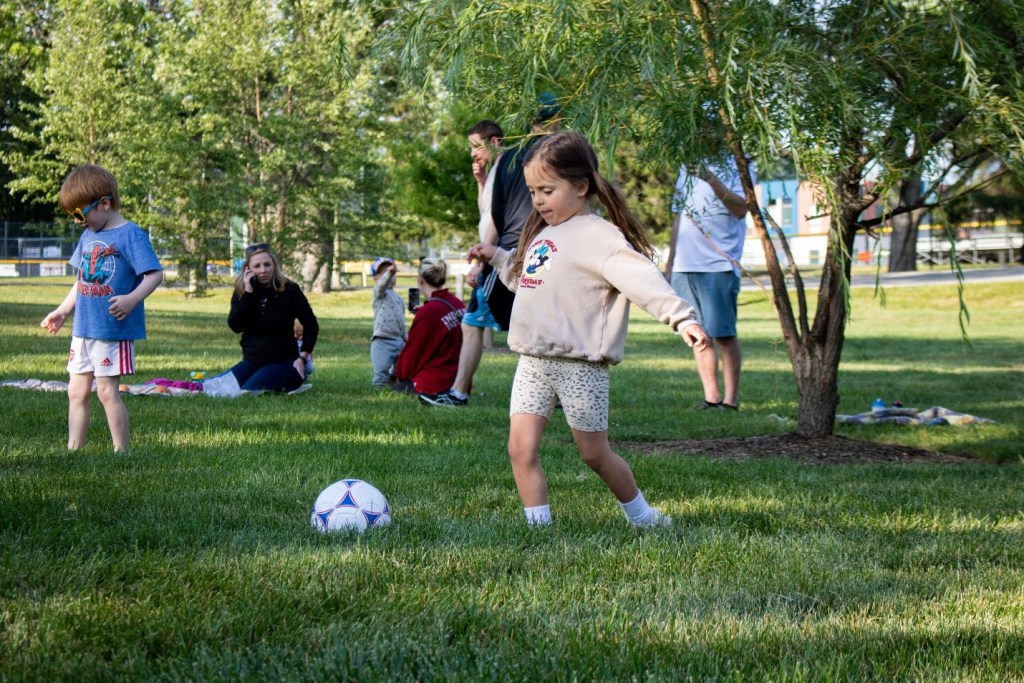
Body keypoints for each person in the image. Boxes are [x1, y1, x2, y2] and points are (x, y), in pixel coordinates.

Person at [467, 131, 709, 528]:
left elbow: (642, 280)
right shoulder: (542, 233)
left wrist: (681, 317)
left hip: (580, 367)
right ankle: (538, 529)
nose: (538, 200)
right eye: (532, 191)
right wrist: (495, 255)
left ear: (580, 186)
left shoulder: (601, 238)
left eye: (547, 189)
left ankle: (643, 517)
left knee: (594, 455)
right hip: (532, 361)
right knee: (520, 448)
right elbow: (526, 278)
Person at [421, 99, 561, 407]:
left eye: (475, 146)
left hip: (507, 255)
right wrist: (481, 182)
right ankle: (555, 391)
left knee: (488, 324)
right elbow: (489, 210)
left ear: (495, 142)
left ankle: (459, 393)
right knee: (531, 323)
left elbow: (495, 216)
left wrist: (484, 257)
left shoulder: (514, 160)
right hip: (529, 250)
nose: (473, 153)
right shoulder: (540, 158)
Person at [40, 164, 164, 451]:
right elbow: (81, 280)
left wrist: (132, 299)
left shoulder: (131, 235)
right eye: (73, 215)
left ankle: (122, 451)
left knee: (107, 393)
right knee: (76, 391)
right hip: (82, 330)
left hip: (111, 331)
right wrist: (62, 311)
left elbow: (155, 274)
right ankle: (74, 449)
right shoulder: (89, 234)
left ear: (105, 203)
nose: (77, 221)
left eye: (80, 214)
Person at [664, 156, 748, 410]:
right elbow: (679, 216)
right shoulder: (684, 166)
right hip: (685, 264)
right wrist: (670, 263)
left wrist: (710, 177)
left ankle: (730, 401)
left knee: (723, 334)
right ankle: (711, 398)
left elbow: (741, 208)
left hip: (718, 264)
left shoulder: (737, 165)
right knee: (696, 332)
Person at [224, 243, 318, 393]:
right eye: (257, 266)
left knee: (248, 391)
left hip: (283, 361)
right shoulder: (242, 291)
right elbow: (236, 326)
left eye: (267, 264)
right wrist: (248, 293)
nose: (263, 270)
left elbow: (311, 324)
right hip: (252, 361)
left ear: (274, 265)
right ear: (248, 269)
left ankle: (297, 377)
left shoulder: (289, 289)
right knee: (222, 387)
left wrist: (302, 358)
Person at [391, 258, 466, 398]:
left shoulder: (429, 313)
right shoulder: (458, 304)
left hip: (435, 384)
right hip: (459, 382)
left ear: (420, 280)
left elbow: (411, 357)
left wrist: (398, 373)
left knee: (397, 388)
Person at [369, 256, 407, 387]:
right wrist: (389, 273)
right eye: (384, 273)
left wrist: (405, 338)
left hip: (398, 340)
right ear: (375, 279)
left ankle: (394, 385)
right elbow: (381, 286)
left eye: (391, 272)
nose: (389, 276)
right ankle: (378, 390)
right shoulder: (378, 293)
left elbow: (401, 320)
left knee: (400, 370)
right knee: (381, 372)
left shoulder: (399, 298)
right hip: (382, 340)